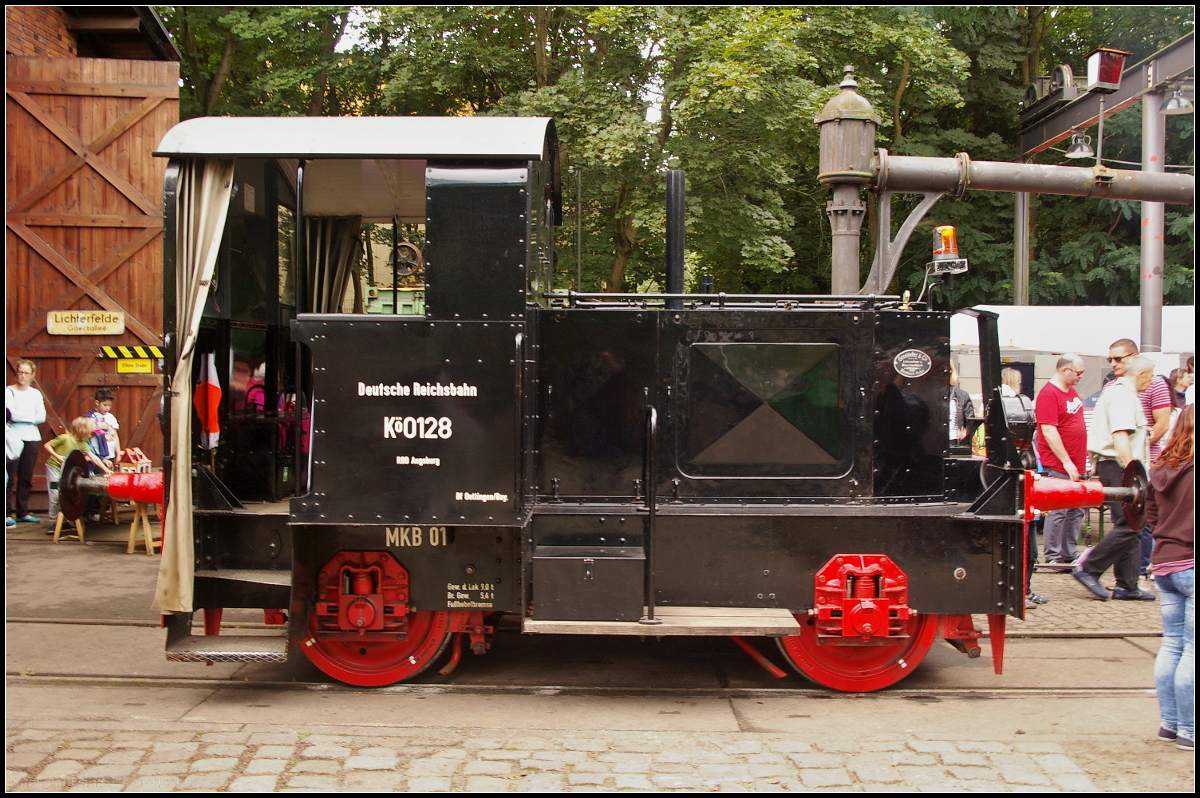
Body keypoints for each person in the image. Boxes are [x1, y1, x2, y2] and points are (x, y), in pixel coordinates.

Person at [1073, 353, 1156, 601]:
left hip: (1117, 465)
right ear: (1140, 374)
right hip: (1120, 466)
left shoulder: (1119, 393)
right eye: (1150, 377)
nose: (1151, 382)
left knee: (1133, 525)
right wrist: (1133, 472)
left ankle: (1127, 585)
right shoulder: (1123, 395)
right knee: (1129, 526)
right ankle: (1089, 569)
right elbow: (1120, 435)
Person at [1146, 403, 1193, 750]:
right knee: (1191, 649)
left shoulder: (1160, 468)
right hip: (1192, 563)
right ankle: (1189, 731)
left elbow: (1150, 517)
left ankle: (1168, 724)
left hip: (1164, 562)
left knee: (1172, 644)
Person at [1036, 354, 1088, 565]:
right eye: (1078, 373)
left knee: (1076, 510)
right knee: (1059, 509)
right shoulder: (1049, 394)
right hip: (1060, 462)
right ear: (1064, 370)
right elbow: (1049, 431)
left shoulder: (1071, 391)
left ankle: (1069, 553)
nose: (1080, 377)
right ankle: (1053, 555)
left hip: (1077, 460)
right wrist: (1066, 461)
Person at [44, 416, 112, 522]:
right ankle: (53, 521)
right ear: (82, 430)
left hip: (66, 470)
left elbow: (94, 458)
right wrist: (57, 456)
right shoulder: (65, 438)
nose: (91, 435)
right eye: (90, 433)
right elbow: (47, 445)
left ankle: (64, 520)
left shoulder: (82, 444)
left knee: (66, 494)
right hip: (54, 467)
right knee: (55, 495)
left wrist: (105, 469)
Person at [6, 360, 47, 525]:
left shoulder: (35, 394)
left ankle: (22, 511)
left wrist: (22, 415)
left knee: (26, 476)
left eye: (26, 373)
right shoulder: (9, 392)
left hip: (31, 437)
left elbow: (42, 417)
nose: (22, 376)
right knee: (9, 476)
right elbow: (10, 415)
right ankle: (6, 513)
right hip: (12, 438)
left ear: (32, 375)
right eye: (20, 372)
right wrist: (30, 415)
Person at [83, 388, 121, 468]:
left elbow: (115, 436)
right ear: (97, 402)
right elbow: (83, 432)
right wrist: (96, 426)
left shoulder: (111, 417)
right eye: (105, 405)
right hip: (97, 456)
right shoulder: (90, 417)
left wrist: (118, 453)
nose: (107, 408)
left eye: (109, 405)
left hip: (111, 455)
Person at [949, 362, 972, 445]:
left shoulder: (962, 395)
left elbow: (970, 419)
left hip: (954, 440)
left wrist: (966, 431)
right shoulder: (927, 393)